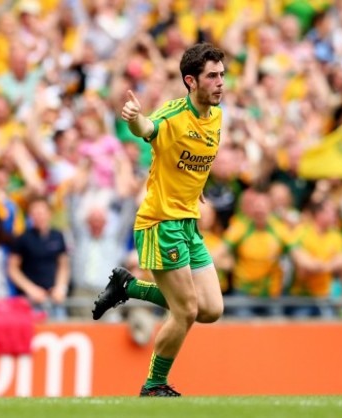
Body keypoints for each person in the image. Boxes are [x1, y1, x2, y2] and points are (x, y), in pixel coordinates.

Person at [91, 43, 226, 397]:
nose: (220, 82)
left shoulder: (217, 117)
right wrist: (134, 117)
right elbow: (147, 128)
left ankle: (129, 287)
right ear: (190, 81)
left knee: (211, 309)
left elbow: (192, 161)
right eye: (212, 76)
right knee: (185, 311)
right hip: (160, 223)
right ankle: (153, 385)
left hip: (188, 224)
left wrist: (196, 191)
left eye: (222, 75)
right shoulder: (173, 115)